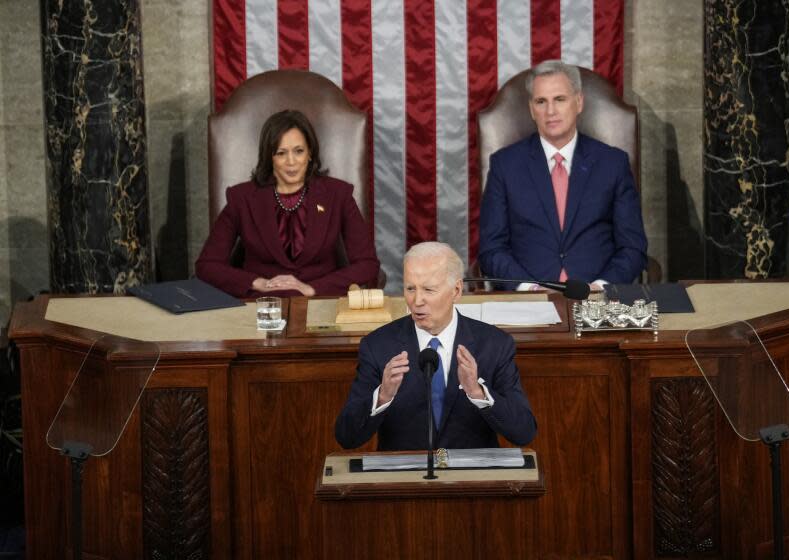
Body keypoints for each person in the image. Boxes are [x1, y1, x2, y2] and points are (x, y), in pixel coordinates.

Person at [335, 241, 537, 451]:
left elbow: (524, 432)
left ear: (456, 291)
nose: (417, 301)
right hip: (405, 480)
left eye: (429, 290)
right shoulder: (378, 346)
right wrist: (383, 395)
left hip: (471, 478)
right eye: (410, 288)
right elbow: (346, 437)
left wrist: (478, 393)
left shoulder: (494, 345)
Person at [479, 59, 647, 289]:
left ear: (578, 103)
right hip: (529, 301)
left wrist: (602, 285)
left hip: (596, 299)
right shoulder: (505, 165)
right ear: (531, 109)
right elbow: (492, 249)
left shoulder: (613, 163)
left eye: (560, 99)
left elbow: (633, 247)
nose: (551, 111)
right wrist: (527, 287)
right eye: (541, 101)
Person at [195, 110, 380, 297]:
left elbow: (367, 264)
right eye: (281, 153)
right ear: (269, 157)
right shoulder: (242, 198)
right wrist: (258, 283)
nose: (291, 162)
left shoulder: (338, 195)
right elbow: (207, 265)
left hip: (321, 301)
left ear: (310, 153)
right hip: (261, 304)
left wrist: (312, 288)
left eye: (299, 151)